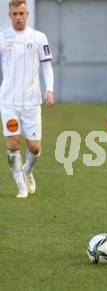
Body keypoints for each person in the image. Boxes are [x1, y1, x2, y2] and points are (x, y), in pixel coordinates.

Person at [0, 0, 54, 198]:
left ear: (27, 14)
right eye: (14, 14)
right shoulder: (2, 38)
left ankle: (28, 170)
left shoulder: (39, 37)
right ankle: (21, 186)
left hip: (32, 101)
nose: (18, 17)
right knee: (13, 144)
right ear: (9, 14)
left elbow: (47, 67)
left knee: (34, 147)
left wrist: (49, 89)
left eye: (21, 13)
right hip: (8, 101)